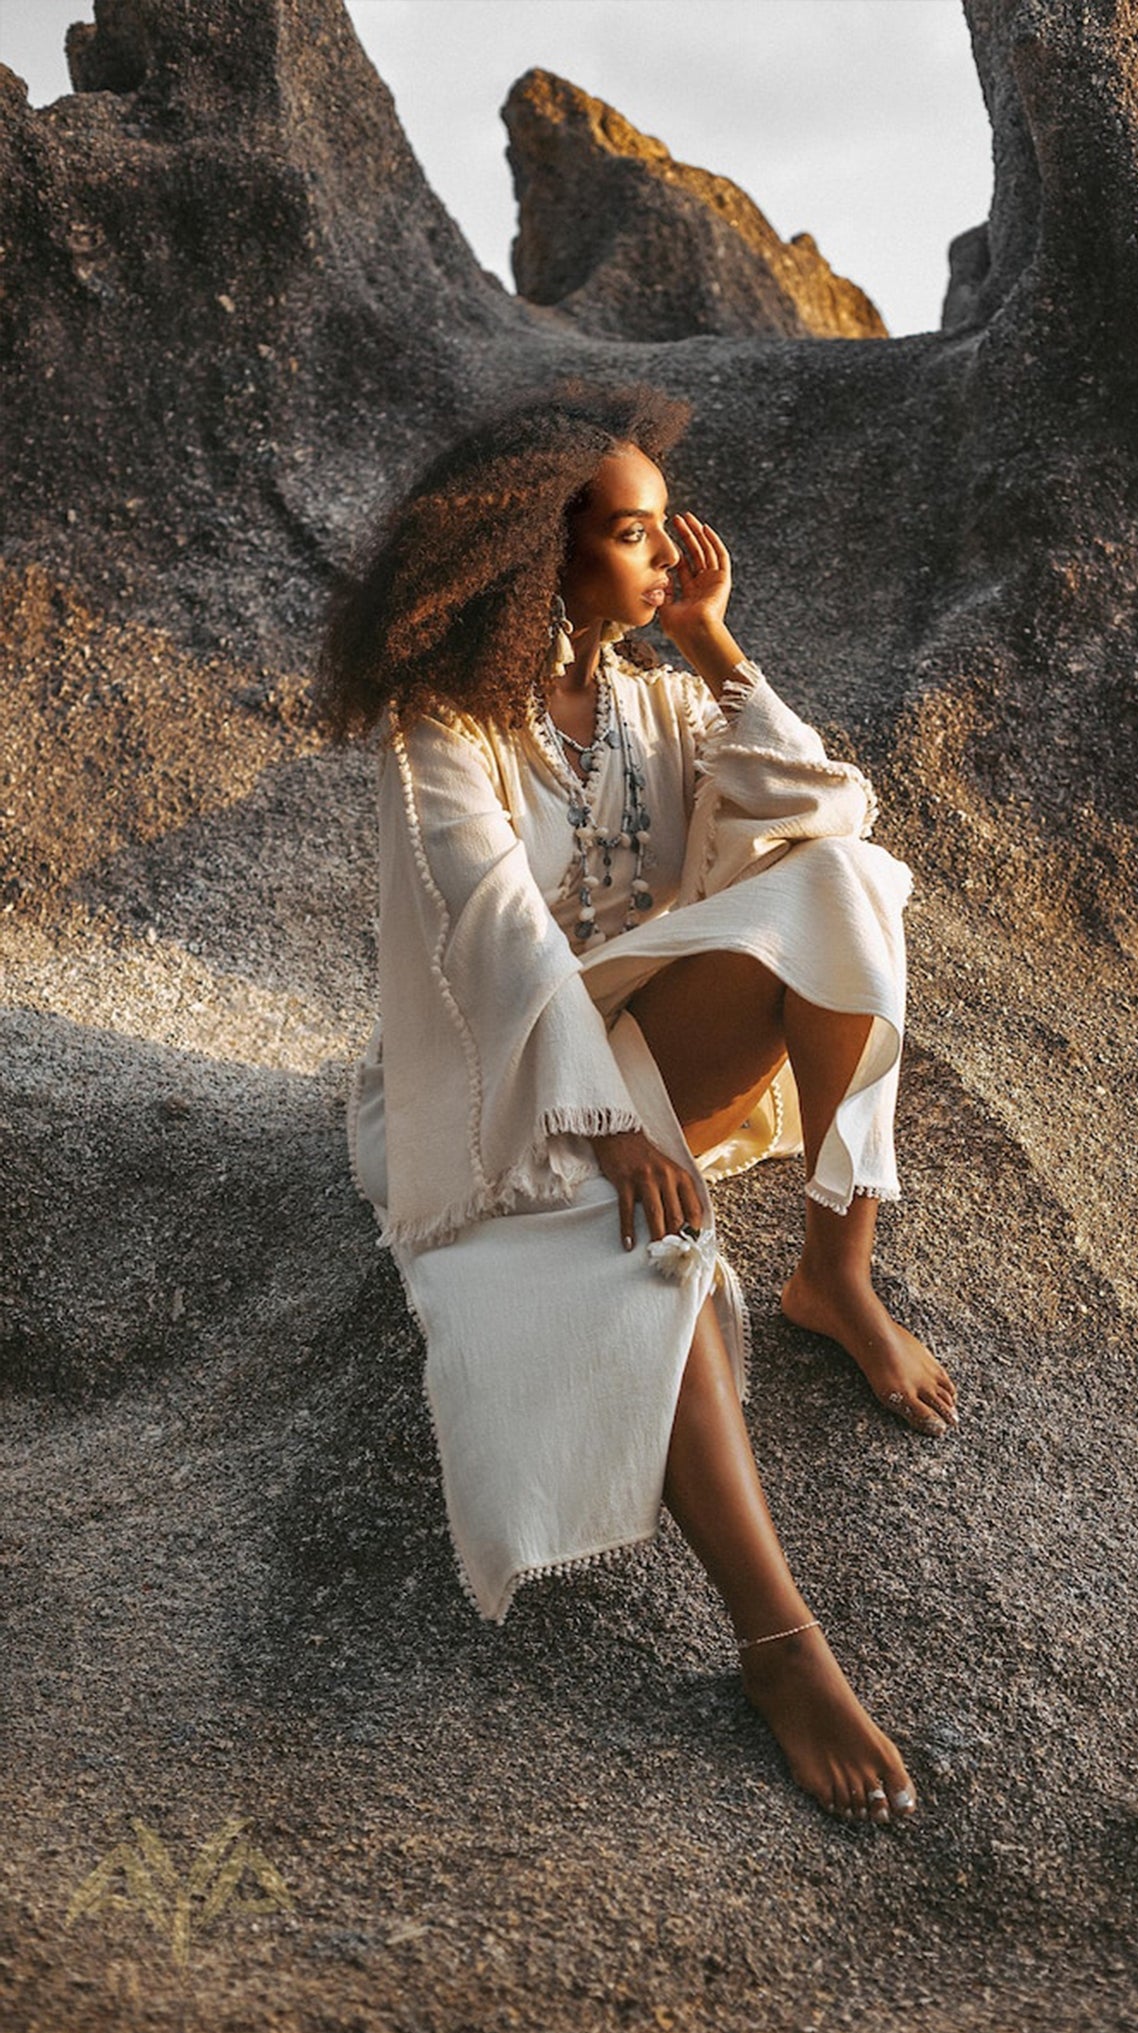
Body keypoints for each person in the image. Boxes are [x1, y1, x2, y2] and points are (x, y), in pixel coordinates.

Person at [317, 385, 959, 1827]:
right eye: (632, 535)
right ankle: (779, 1645)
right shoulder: (443, 730)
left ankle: (831, 1272)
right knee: (640, 1261)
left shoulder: (658, 701)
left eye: (671, 528)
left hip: (646, 1038)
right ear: (533, 558)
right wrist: (603, 1122)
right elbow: (492, 937)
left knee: (849, 887)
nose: (668, 555)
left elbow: (817, 813)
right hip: (499, 1074)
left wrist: (712, 644)